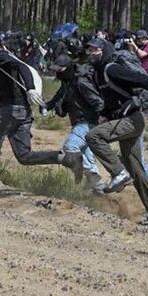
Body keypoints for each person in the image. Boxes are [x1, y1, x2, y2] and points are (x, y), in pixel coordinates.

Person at [0, 23, 82, 202]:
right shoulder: (0, 55)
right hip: (22, 111)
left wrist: (31, 89)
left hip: (10, 110)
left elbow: (23, 68)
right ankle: (68, 159)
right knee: (24, 156)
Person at [82, 37, 148, 225]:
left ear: (103, 51)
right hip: (124, 119)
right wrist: (105, 114)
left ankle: (118, 173)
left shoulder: (111, 68)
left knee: (93, 136)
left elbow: (140, 78)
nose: (91, 53)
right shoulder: (98, 73)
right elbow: (111, 99)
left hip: (132, 120)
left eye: (95, 50)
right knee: (137, 169)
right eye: (89, 50)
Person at [48, 54, 109, 192]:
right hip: (80, 123)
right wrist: (47, 105)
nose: (57, 73)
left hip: (87, 123)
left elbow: (98, 102)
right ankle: (99, 191)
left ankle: (87, 175)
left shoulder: (80, 82)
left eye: (60, 70)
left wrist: (101, 119)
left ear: (68, 68)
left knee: (70, 147)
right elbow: (59, 96)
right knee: (87, 157)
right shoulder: (67, 82)